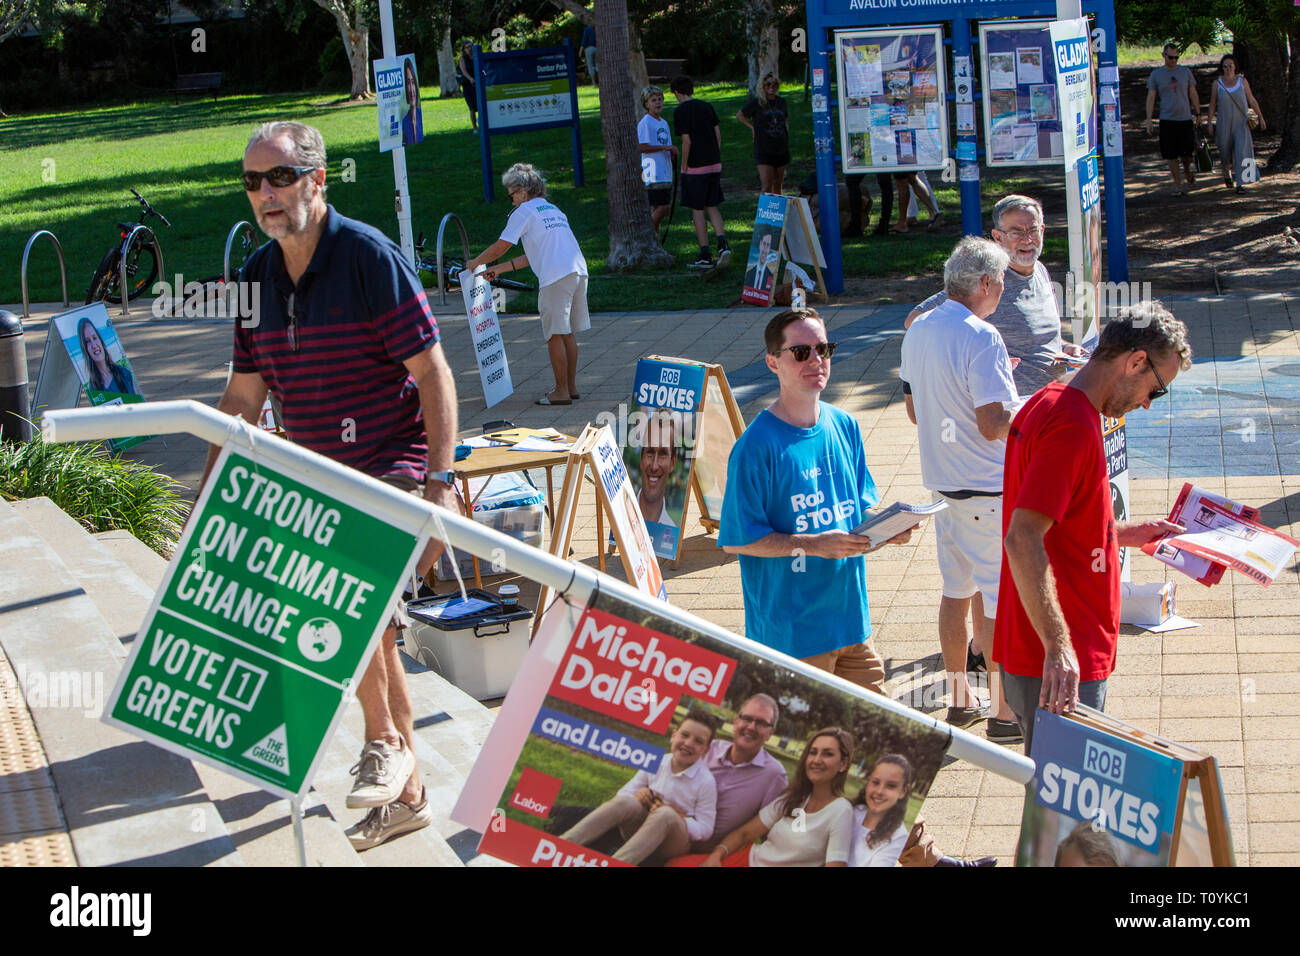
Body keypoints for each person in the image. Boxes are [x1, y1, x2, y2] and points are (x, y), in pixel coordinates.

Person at [206, 120, 459, 850]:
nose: (265, 194)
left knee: (347, 599)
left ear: (319, 179)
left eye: (280, 177)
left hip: (393, 456)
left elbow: (434, 375)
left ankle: (384, 741)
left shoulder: (368, 258)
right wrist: (208, 499)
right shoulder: (254, 276)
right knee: (368, 620)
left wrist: (440, 486)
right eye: (253, 181)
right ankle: (407, 793)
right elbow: (245, 397)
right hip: (316, 467)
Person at [993, 302, 1191, 755]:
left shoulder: (1051, 401)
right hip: (1060, 655)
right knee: (1069, 809)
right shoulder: (1073, 424)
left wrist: (1120, 531)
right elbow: (1022, 536)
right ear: (1135, 361)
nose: (1146, 402)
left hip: (1045, 648)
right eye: (1155, 389)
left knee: (1058, 805)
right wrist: (1059, 647)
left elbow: (1057, 521)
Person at [720, 308, 913, 694]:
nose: (817, 361)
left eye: (823, 349)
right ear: (773, 362)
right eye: (801, 352)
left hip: (852, 624)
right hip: (793, 636)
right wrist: (815, 546)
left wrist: (885, 528)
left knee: (877, 739)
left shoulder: (845, 425)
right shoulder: (756, 447)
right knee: (806, 747)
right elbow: (736, 540)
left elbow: (856, 510)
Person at [900, 237, 1019, 735]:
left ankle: (958, 699)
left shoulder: (919, 328)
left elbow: (913, 409)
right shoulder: (982, 336)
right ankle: (1003, 712)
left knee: (955, 593)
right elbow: (995, 423)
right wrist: (1035, 407)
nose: (1004, 293)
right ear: (986, 283)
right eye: (1003, 284)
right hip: (988, 488)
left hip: (944, 488)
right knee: (994, 601)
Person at [907, 195, 1084, 401]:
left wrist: (1063, 347)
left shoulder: (1041, 271)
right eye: (1016, 232)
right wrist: (980, 360)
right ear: (998, 237)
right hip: (1011, 409)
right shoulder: (988, 279)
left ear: (1043, 230)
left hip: (1051, 402)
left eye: (1033, 230)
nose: (1027, 239)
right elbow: (915, 320)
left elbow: (1037, 335)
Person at [467, 163, 589, 406]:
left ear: (522, 192)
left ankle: (560, 392)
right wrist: (498, 269)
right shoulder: (553, 209)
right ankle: (571, 388)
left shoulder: (523, 212)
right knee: (566, 333)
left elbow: (503, 245)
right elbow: (533, 254)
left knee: (554, 334)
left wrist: (476, 262)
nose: (511, 201)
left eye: (511, 195)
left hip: (555, 277)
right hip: (577, 271)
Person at [561, 709, 718, 864]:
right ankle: (563, 845)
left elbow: (705, 829)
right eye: (685, 735)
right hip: (642, 828)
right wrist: (639, 795)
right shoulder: (657, 761)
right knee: (626, 802)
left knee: (665, 814)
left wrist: (680, 819)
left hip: (672, 843)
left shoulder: (706, 781)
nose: (689, 743)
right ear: (673, 735)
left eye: (698, 741)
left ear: (706, 750)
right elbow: (623, 793)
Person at [700, 727, 855, 866]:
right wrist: (717, 854)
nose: (816, 760)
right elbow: (744, 834)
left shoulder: (841, 811)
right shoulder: (795, 796)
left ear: (843, 764)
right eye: (813, 752)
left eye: (827, 754)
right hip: (746, 860)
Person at [689, 694, 788, 853]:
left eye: (761, 723)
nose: (751, 727)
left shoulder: (774, 775)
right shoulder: (709, 748)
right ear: (736, 722)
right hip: (677, 828)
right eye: (747, 718)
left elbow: (770, 831)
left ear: (770, 733)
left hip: (710, 852)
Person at [670, 75, 731, 270]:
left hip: (695, 167)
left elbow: (686, 141)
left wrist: (684, 166)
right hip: (714, 163)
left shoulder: (680, 111)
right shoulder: (707, 106)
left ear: (677, 93)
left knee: (697, 210)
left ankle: (705, 253)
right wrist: (714, 155)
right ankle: (722, 243)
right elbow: (718, 135)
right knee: (712, 205)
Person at [1145, 43, 1202, 195]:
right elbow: (1151, 97)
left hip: (1185, 119)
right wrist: (1149, 119)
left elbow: (1193, 93)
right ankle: (1179, 186)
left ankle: (1187, 171)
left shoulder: (1185, 72)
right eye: (1171, 57)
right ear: (1164, 55)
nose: (1174, 60)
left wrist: (1198, 113)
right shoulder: (1156, 75)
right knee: (1170, 155)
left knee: (1187, 155)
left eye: (1176, 57)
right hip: (1167, 120)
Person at [1208, 54, 1266, 194]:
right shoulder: (1218, 84)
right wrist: (1209, 122)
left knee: (1242, 151)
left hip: (1241, 123)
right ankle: (1226, 173)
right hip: (1224, 122)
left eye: (1230, 66)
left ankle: (1242, 183)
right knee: (1225, 153)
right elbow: (1212, 104)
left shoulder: (1242, 81)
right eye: (1225, 66)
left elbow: (1251, 100)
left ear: (1235, 67)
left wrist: (1261, 117)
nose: (1228, 69)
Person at [848, 754, 914, 867]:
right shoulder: (853, 811)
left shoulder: (898, 836)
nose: (879, 791)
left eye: (891, 786)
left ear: (903, 791)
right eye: (875, 782)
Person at [736, 73, 790, 195]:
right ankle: (765, 212)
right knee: (766, 186)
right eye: (768, 84)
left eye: (774, 84)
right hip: (764, 148)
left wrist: (786, 129)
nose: (771, 86)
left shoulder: (781, 102)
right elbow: (740, 115)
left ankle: (777, 212)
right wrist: (752, 127)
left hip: (781, 147)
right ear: (763, 86)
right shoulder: (757, 103)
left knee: (778, 184)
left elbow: (786, 117)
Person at [637, 85, 677, 233]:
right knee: (663, 208)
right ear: (646, 104)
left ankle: (655, 245)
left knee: (656, 209)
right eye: (653, 100)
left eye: (660, 99)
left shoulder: (663, 122)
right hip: (652, 171)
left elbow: (665, 144)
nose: (658, 103)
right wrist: (665, 148)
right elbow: (642, 147)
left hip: (664, 170)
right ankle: (644, 234)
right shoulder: (646, 123)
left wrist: (670, 153)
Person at [636, 408, 679, 528]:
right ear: (641, 457)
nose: (654, 466)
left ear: (672, 462)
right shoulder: (621, 516)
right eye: (649, 452)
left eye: (662, 453)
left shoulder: (671, 529)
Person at [78, 316, 137, 395]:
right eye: (88, 341)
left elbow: (140, 403)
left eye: (95, 338)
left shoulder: (123, 373)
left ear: (101, 341)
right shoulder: (93, 389)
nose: (94, 345)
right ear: (85, 349)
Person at [457, 41, 479, 134]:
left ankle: (482, 123)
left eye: (470, 47)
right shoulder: (462, 59)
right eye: (467, 47)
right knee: (472, 107)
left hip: (478, 84)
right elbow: (464, 71)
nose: (469, 49)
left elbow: (482, 69)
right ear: (464, 49)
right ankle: (475, 127)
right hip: (468, 85)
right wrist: (470, 79)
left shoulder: (477, 56)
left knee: (481, 105)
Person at [400, 58, 422, 147]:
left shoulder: (420, 115)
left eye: (413, 82)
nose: (411, 90)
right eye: (408, 83)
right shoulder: (404, 122)